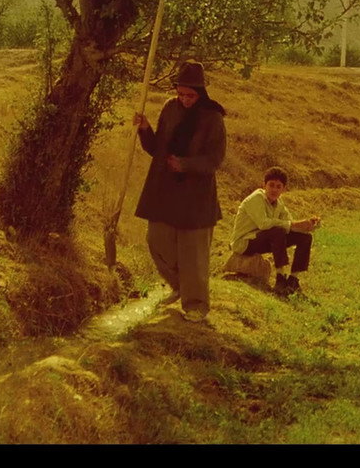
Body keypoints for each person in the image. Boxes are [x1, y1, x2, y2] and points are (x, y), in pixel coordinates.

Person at [133, 61, 227, 322]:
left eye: (190, 95)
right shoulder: (169, 108)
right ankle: (180, 287)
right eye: (181, 94)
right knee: (157, 240)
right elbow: (158, 148)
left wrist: (185, 164)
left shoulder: (213, 117)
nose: (185, 99)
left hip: (195, 196)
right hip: (165, 192)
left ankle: (196, 305)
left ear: (201, 93)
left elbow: (215, 159)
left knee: (193, 254)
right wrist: (145, 130)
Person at [229, 166, 321, 296]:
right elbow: (263, 224)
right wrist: (293, 224)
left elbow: (289, 224)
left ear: (284, 189)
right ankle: (280, 277)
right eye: (271, 185)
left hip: (263, 239)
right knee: (277, 231)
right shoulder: (256, 198)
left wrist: (308, 225)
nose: (274, 189)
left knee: (305, 238)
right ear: (264, 185)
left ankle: (293, 279)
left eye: (278, 187)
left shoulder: (279, 203)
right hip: (245, 243)